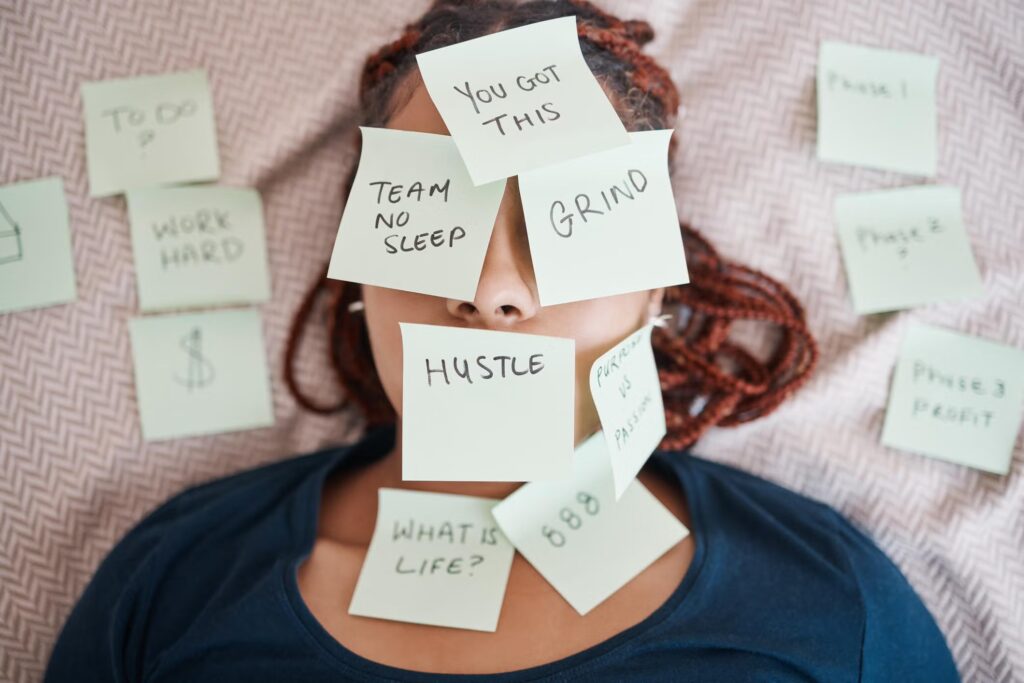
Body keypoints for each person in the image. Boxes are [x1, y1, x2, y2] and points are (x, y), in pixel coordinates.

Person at [45, 1, 959, 680]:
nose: (494, 290)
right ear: (357, 268)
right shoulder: (175, 582)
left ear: (656, 286)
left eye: (569, 219)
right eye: (433, 210)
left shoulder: (829, 598)